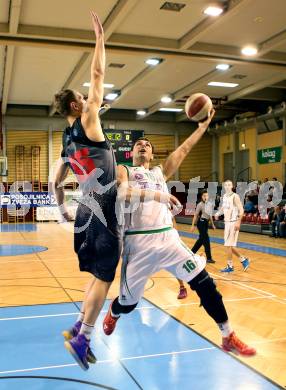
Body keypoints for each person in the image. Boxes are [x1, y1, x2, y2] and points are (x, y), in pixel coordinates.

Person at [52, 12, 180, 371]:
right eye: (85, 98)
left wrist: (61, 207)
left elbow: (57, 177)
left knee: (97, 276)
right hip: (105, 205)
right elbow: (97, 75)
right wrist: (100, 39)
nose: (89, 97)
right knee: (106, 278)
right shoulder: (87, 118)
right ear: (78, 106)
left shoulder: (67, 137)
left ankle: (79, 326)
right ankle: (83, 337)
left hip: (85, 206)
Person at [103, 113, 256, 357]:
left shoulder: (159, 173)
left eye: (147, 145)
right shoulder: (125, 170)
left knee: (206, 285)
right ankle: (114, 312)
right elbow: (122, 193)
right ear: (131, 153)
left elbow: (183, 150)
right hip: (138, 245)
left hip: (167, 240)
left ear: (152, 155)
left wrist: (203, 127)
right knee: (128, 304)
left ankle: (227, 335)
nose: (143, 145)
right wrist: (158, 196)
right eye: (138, 144)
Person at [215, 180, 250, 273]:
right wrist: (218, 213)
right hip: (227, 223)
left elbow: (241, 210)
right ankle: (243, 260)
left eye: (229, 185)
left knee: (228, 245)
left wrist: (238, 222)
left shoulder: (235, 196)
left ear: (232, 186)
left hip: (233, 222)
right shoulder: (224, 196)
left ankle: (230, 266)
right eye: (225, 185)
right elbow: (223, 207)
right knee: (229, 245)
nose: (227, 186)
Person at [190, 189, 215, 263]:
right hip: (200, 223)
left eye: (207, 195)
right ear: (201, 197)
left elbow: (210, 215)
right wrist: (192, 225)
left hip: (206, 223)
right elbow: (196, 215)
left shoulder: (210, 204)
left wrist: (212, 224)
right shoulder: (200, 205)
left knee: (201, 240)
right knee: (206, 240)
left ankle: (191, 253)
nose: (206, 197)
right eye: (204, 196)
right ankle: (209, 258)